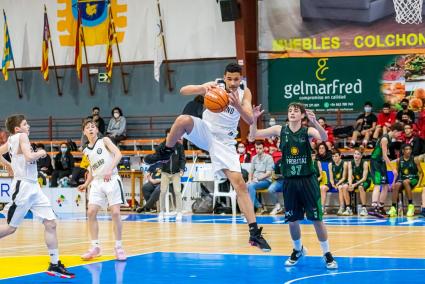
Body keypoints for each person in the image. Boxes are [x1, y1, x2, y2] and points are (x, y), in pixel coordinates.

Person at [143, 63, 271, 251]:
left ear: (240, 79)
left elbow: (250, 119)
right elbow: (182, 90)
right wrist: (202, 88)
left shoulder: (245, 93)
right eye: (230, 79)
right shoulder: (215, 86)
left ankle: (254, 234)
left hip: (224, 142)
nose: (233, 83)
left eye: (236, 79)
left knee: (240, 185)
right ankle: (166, 151)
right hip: (206, 131)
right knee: (182, 120)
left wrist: (238, 106)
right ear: (224, 77)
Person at [249, 102, 338, 269]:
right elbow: (253, 135)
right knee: (292, 220)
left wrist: (315, 122)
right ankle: (298, 250)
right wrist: (253, 120)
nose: (292, 113)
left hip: (307, 180)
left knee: (317, 219)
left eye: (296, 111)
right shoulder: (279, 130)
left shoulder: (307, 131)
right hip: (290, 181)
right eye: (290, 110)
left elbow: (325, 138)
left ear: (302, 115)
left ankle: (327, 253)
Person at [0, 114, 74, 278]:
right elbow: (29, 156)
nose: (29, 126)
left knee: (51, 223)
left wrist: (9, 165)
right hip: (24, 187)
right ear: (17, 128)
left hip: (34, 187)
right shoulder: (22, 136)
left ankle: (54, 264)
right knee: (11, 228)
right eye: (25, 124)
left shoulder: (13, 140)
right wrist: (41, 153)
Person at [78, 118, 127, 261]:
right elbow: (91, 170)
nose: (91, 128)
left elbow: (118, 154)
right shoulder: (86, 150)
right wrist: (86, 184)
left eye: (93, 126)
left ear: (97, 130)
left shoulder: (105, 140)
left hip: (111, 179)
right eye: (88, 127)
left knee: (116, 213)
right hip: (97, 182)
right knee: (91, 211)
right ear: (84, 132)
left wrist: (109, 169)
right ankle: (95, 247)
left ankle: (118, 247)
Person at [369, 123, 404, 217]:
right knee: (377, 185)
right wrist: (393, 169)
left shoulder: (388, 139)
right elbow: (384, 155)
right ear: (395, 131)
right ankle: (374, 207)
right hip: (375, 162)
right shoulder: (385, 139)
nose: (399, 136)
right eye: (399, 133)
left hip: (381, 162)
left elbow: (385, 157)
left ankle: (380, 207)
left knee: (385, 186)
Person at [158, 128, 185, 222]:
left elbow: (182, 159)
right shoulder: (162, 145)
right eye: (168, 135)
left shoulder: (179, 146)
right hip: (165, 172)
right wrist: (160, 168)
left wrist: (182, 169)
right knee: (163, 191)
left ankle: (179, 212)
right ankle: (161, 211)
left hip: (176, 172)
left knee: (177, 192)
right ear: (166, 135)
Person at [389, 144, 420, 217]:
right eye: (406, 149)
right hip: (403, 179)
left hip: (414, 178)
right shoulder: (399, 160)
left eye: (410, 149)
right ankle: (393, 208)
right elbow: (397, 173)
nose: (409, 151)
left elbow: (421, 173)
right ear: (403, 151)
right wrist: (393, 182)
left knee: (406, 182)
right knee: (396, 185)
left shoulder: (415, 159)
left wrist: (419, 183)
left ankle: (411, 206)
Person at [247, 141, 274, 214]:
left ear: (264, 149)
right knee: (245, 186)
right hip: (255, 180)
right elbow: (251, 171)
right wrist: (249, 179)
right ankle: (259, 206)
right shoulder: (254, 158)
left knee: (251, 186)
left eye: (260, 148)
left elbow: (268, 173)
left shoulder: (269, 158)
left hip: (266, 181)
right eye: (257, 148)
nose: (258, 150)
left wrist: (257, 179)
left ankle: (250, 210)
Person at [347, 149, 371, 216]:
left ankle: (364, 208)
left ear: (361, 156)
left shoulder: (365, 163)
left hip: (366, 181)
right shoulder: (350, 163)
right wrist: (350, 184)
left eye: (358, 154)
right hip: (355, 181)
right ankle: (348, 208)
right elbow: (349, 176)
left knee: (360, 187)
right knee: (345, 187)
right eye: (355, 154)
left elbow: (364, 178)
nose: (356, 155)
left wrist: (355, 184)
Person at [328, 150, 349, 216]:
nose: (334, 158)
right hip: (335, 182)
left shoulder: (344, 163)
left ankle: (343, 207)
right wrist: (332, 184)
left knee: (340, 187)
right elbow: (331, 177)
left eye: (336, 156)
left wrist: (336, 184)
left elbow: (344, 177)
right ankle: (342, 207)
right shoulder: (330, 164)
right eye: (333, 156)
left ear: (340, 156)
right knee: (339, 187)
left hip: (343, 181)